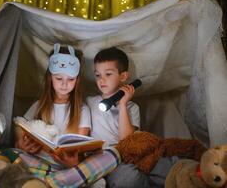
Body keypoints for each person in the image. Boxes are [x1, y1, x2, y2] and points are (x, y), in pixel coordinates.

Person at [15, 43, 120, 187]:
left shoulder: (82, 110)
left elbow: (82, 146)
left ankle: (50, 182)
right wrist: (20, 145)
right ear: (50, 78)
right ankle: (60, 182)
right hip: (40, 162)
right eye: (59, 79)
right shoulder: (38, 105)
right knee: (13, 154)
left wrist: (74, 163)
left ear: (77, 81)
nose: (64, 84)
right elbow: (22, 130)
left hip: (68, 167)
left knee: (111, 156)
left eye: (70, 80)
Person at [86, 47, 178, 188]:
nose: (101, 80)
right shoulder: (90, 103)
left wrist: (122, 104)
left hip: (130, 155)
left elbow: (126, 140)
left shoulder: (131, 108)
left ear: (123, 77)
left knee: (168, 167)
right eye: (98, 75)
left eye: (108, 74)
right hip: (108, 161)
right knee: (129, 178)